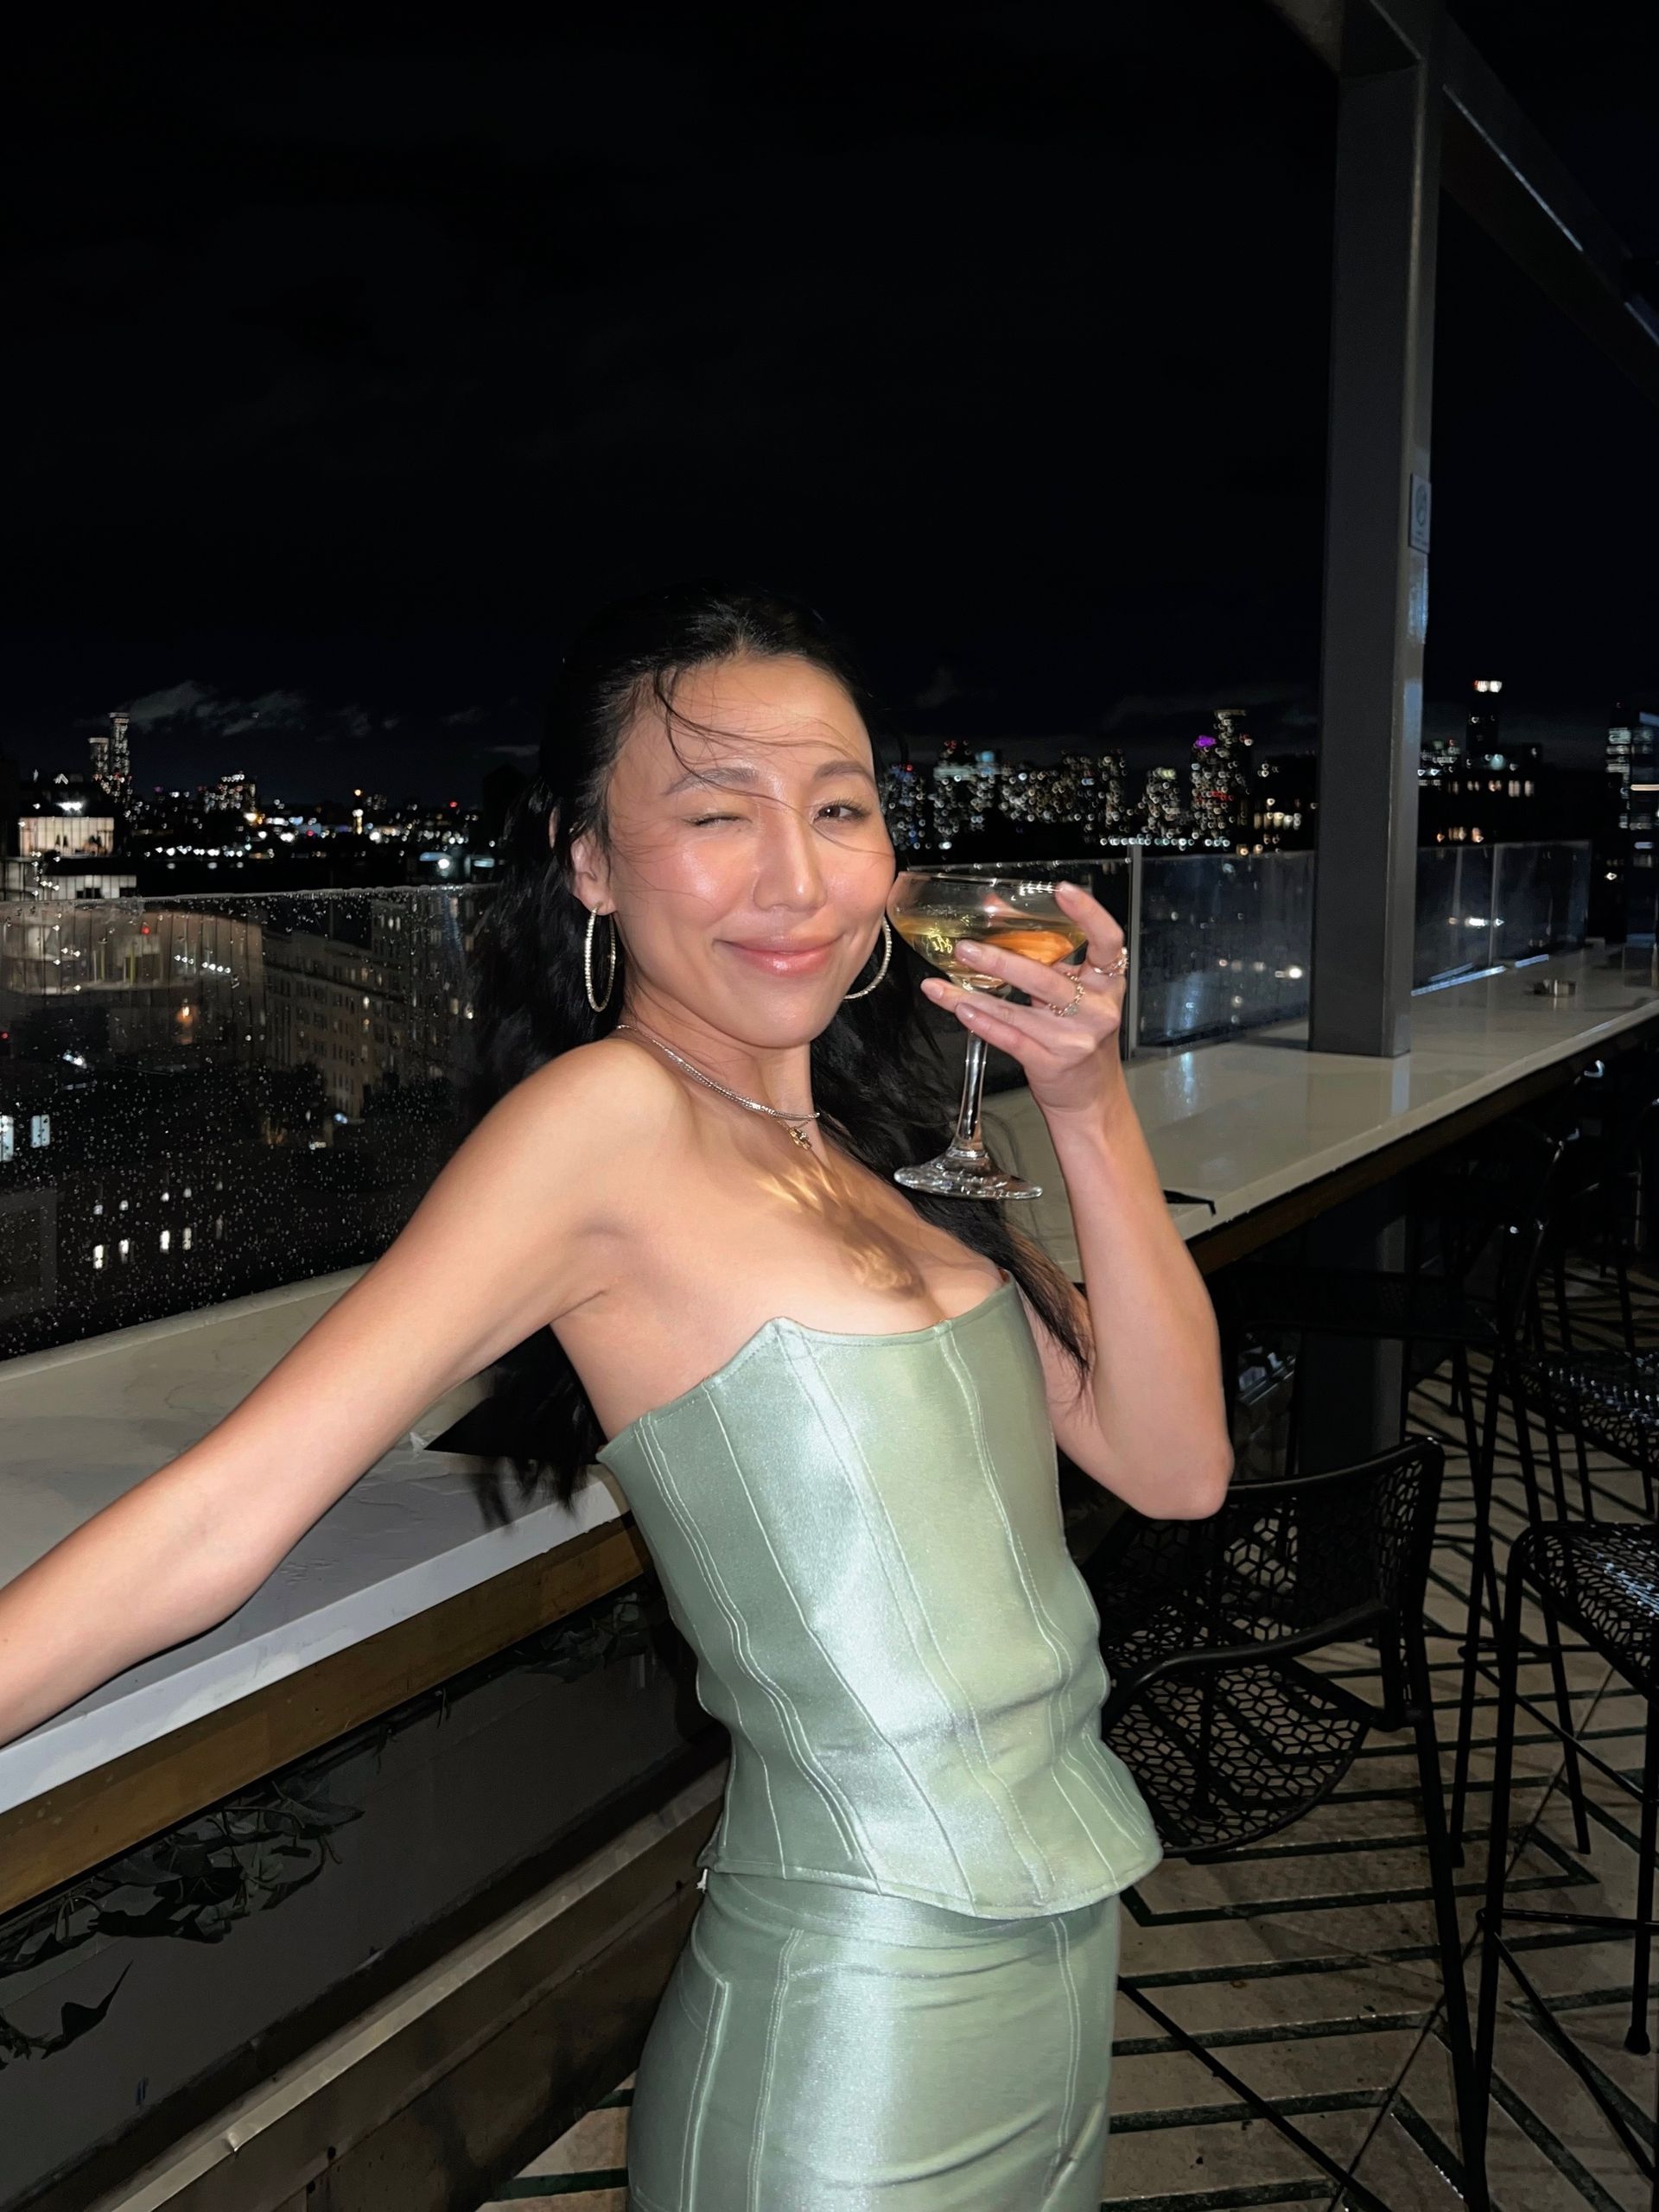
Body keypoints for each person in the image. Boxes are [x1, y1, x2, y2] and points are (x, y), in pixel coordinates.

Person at [0, 585, 1233, 2209]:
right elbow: (228, 1509)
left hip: (1063, 1958)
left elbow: (1173, 1463)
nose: (797, 877)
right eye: (718, 815)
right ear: (588, 860)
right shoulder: (606, 1127)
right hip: (857, 2016)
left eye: (840, 809)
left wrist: (1086, 1104)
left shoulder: (869, 1142)